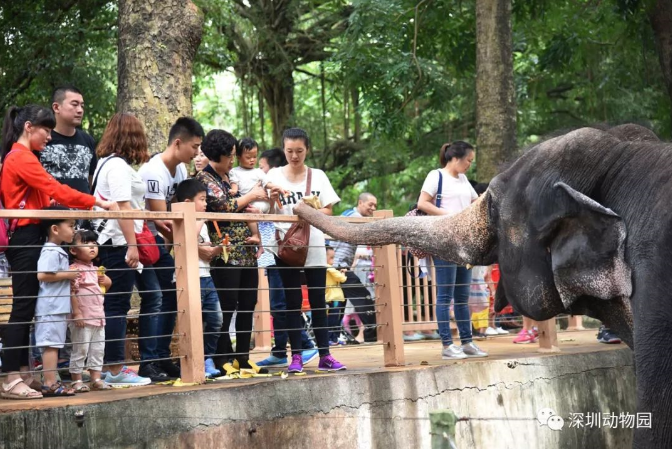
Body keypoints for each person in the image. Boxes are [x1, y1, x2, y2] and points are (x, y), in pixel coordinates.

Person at [0, 105, 117, 401]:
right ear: (29, 127)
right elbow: (55, 188)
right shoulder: (20, 157)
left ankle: (24, 373)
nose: (49, 137)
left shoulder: (25, 157)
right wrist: (97, 202)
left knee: (27, 308)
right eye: (46, 130)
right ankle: (11, 378)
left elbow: (48, 195)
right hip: (24, 238)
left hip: (30, 236)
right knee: (23, 308)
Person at [266, 127, 346, 373]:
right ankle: (296, 357)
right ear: (284, 150)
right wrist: (271, 198)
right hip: (286, 247)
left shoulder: (318, 176)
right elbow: (268, 211)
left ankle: (325, 355)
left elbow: (329, 210)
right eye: (290, 151)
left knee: (317, 300)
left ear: (307, 150)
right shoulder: (274, 175)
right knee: (292, 302)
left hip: (314, 245)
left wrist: (307, 212)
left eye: (299, 151)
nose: (294, 156)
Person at [92, 113, 158, 386]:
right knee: (117, 305)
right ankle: (116, 368)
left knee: (113, 304)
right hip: (117, 243)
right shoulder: (117, 166)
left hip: (112, 242)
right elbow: (122, 207)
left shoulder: (105, 163)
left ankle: (109, 367)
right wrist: (132, 245)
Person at [195, 129, 269, 374]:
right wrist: (251, 196)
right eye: (230, 155)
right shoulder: (205, 179)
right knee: (226, 306)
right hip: (224, 252)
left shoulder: (230, 177)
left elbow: (243, 205)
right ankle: (221, 357)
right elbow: (224, 206)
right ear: (218, 155)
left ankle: (243, 357)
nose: (232, 160)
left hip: (246, 250)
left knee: (248, 303)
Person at [138, 117, 204, 379]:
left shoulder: (181, 171)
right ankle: (149, 360)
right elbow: (160, 220)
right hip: (145, 241)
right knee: (155, 297)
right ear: (178, 143)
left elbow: (179, 210)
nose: (197, 153)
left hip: (162, 244)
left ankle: (161, 356)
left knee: (171, 295)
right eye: (194, 147)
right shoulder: (153, 171)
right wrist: (187, 241)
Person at [418, 141, 488, 359]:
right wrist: (451, 216)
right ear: (456, 158)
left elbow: (476, 202)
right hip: (445, 241)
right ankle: (447, 345)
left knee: (462, 296)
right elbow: (423, 203)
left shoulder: (464, 179)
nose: (469, 165)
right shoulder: (436, 176)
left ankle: (467, 342)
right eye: (468, 160)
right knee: (445, 294)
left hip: (464, 242)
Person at [255, 148, 318, 368]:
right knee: (278, 304)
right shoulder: (265, 189)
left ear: (273, 169)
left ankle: (306, 345)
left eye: (262, 167)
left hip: (280, 252)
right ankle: (280, 350)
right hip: (269, 253)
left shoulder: (280, 189)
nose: (260, 172)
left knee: (282, 303)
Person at [174, 179, 225, 378]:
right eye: (202, 199)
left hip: (206, 276)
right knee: (192, 322)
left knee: (216, 320)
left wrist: (218, 249)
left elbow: (205, 250)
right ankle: (192, 363)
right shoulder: (181, 219)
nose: (206, 204)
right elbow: (187, 239)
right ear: (188, 202)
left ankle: (206, 358)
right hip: (189, 278)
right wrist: (201, 219)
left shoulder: (202, 224)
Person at [35, 206, 77, 396]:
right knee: (51, 344)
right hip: (51, 307)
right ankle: (50, 383)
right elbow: (43, 275)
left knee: (55, 344)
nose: (74, 230)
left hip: (57, 306)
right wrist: (68, 274)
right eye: (71, 226)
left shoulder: (57, 250)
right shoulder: (51, 250)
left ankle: (52, 381)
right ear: (55, 229)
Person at [330, 193, 379, 343]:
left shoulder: (348, 214)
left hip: (338, 264)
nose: (373, 208)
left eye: (375, 205)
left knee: (339, 301)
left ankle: (333, 336)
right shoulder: (355, 217)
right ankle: (371, 334)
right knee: (362, 296)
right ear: (360, 202)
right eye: (370, 204)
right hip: (339, 266)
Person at [68, 229, 112, 391]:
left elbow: (105, 288)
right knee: (81, 349)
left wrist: (106, 281)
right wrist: (77, 313)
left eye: (94, 243)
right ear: (73, 250)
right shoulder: (75, 270)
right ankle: (77, 379)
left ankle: (96, 378)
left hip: (98, 317)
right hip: (83, 318)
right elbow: (71, 292)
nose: (92, 246)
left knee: (98, 349)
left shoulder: (95, 269)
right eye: (86, 243)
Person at [40, 86, 97, 193]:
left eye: (82, 106)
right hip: (50, 203)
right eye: (74, 104)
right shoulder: (42, 139)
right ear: (56, 107)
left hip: (84, 203)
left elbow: (90, 180)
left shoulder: (88, 140)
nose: (80, 110)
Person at [325, 246, 347, 343]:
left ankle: (333, 338)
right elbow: (342, 279)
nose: (333, 260)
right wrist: (343, 273)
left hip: (330, 296)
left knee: (333, 318)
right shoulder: (329, 268)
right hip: (334, 297)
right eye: (331, 258)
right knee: (333, 318)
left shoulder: (326, 268)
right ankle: (330, 338)